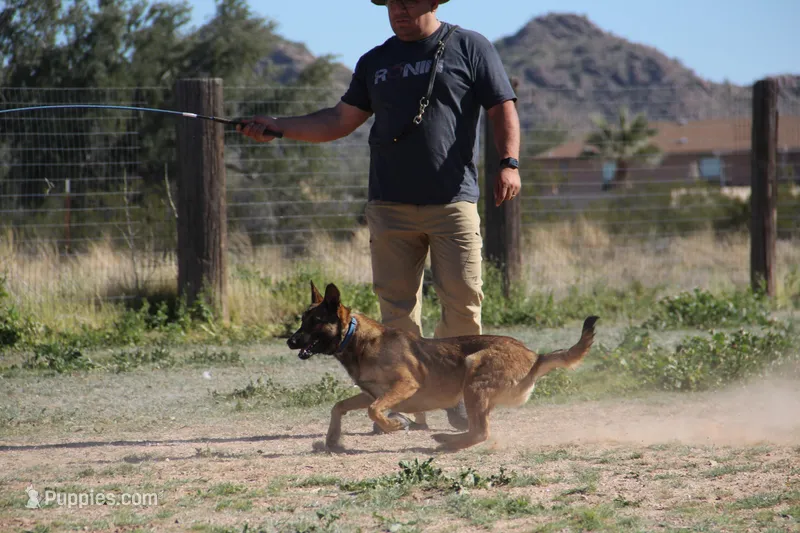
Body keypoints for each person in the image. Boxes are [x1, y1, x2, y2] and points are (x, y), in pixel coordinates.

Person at [239, 0, 521, 431]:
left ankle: (459, 398)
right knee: (396, 315)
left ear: (432, 2)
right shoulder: (376, 61)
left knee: (463, 305)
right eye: (391, 3)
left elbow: (502, 106)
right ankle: (405, 404)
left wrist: (508, 163)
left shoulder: (470, 47)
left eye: (408, 2)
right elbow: (338, 120)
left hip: (452, 201)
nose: (399, 11)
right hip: (388, 205)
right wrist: (278, 126)